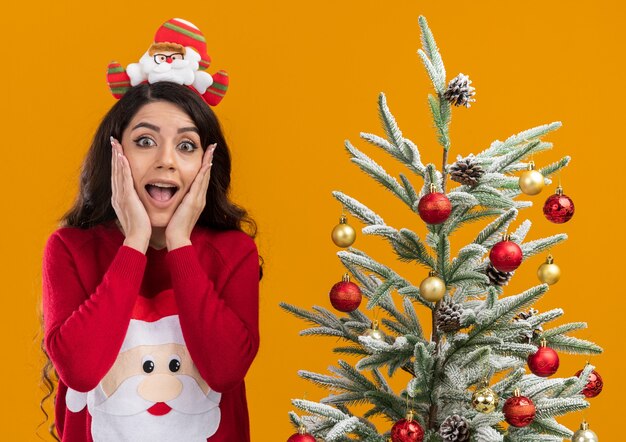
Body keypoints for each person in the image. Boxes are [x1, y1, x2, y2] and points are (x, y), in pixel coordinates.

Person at [40, 18, 261, 442]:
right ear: (115, 152)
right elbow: (82, 372)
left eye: (186, 145)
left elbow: (225, 370)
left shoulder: (234, 252)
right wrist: (135, 242)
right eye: (145, 141)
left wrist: (179, 244)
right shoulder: (69, 248)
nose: (166, 161)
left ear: (206, 163)